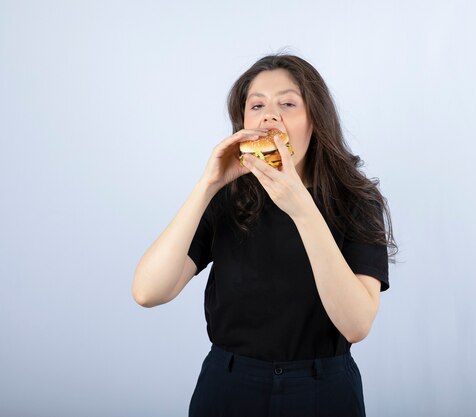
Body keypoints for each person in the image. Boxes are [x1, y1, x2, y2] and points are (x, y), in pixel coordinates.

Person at [132, 53, 397, 417]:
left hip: (324, 388)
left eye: (288, 103)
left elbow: (356, 324)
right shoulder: (228, 197)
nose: (270, 115)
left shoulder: (356, 199)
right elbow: (148, 291)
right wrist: (207, 185)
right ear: (244, 122)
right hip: (229, 386)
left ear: (315, 121)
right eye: (257, 105)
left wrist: (301, 207)